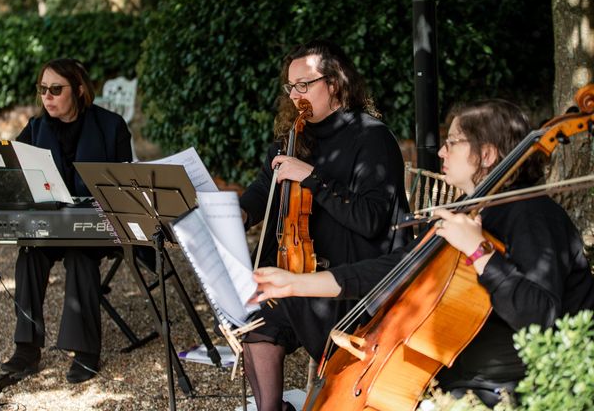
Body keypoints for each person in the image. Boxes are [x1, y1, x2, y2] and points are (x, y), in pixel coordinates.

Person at [249, 99, 594, 409]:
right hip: (458, 375)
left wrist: (479, 250)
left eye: (453, 143)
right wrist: (295, 283)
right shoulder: (471, 212)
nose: (441, 152)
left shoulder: (533, 215)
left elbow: (540, 316)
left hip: (508, 389)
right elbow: (394, 269)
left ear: (486, 155)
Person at [238, 39, 411, 410]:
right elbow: (262, 189)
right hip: (305, 271)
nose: (296, 94)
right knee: (252, 318)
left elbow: (371, 219)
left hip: (355, 277)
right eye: (291, 87)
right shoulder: (296, 138)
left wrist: (312, 178)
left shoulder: (372, 138)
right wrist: (241, 214)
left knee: (265, 305)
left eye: (305, 85)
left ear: (334, 84)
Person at [1, 58, 133, 384]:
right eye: (43, 89)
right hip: (50, 226)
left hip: (95, 228)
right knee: (29, 254)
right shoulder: (35, 128)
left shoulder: (111, 126)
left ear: (78, 89)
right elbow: (12, 175)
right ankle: (26, 349)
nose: (47, 96)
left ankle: (86, 352)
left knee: (80, 255)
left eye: (56, 89)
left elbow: (124, 187)